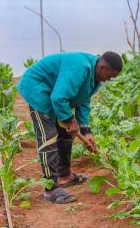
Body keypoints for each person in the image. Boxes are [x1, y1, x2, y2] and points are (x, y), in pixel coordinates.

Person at [16, 51, 123, 204]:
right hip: (38, 88)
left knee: (66, 134)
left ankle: (64, 175)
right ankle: (51, 189)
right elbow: (59, 97)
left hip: (54, 92)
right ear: (102, 68)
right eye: (110, 76)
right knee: (49, 137)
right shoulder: (80, 68)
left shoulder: (95, 76)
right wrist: (69, 119)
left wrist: (86, 131)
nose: (109, 80)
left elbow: (83, 101)